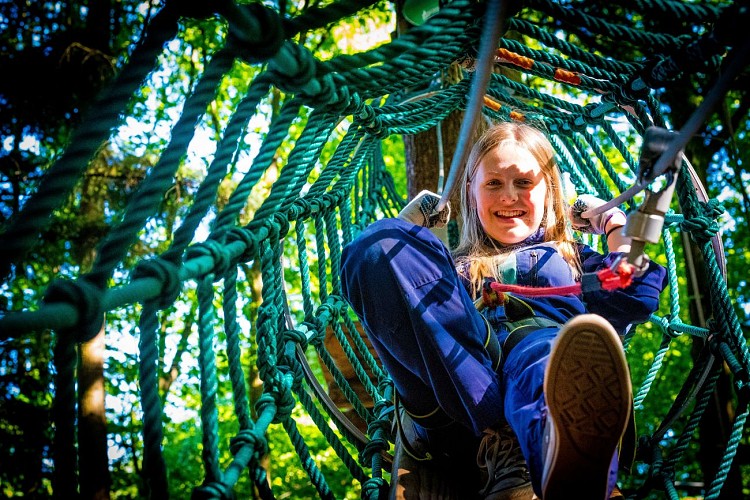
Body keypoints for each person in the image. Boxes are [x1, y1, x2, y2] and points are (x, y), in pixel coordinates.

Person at [340, 121, 667, 499]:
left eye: (524, 183)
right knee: (375, 246)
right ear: (471, 194)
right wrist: (404, 226)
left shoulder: (571, 257)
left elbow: (637, 293)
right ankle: (521, 436)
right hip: (456, 395)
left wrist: (611, 220)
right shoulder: (452, 265)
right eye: (493, 184)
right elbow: (385, 286)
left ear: (549, 192)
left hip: (537, 370)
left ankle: (565, 461)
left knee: (547, 354)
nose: (509, 196)